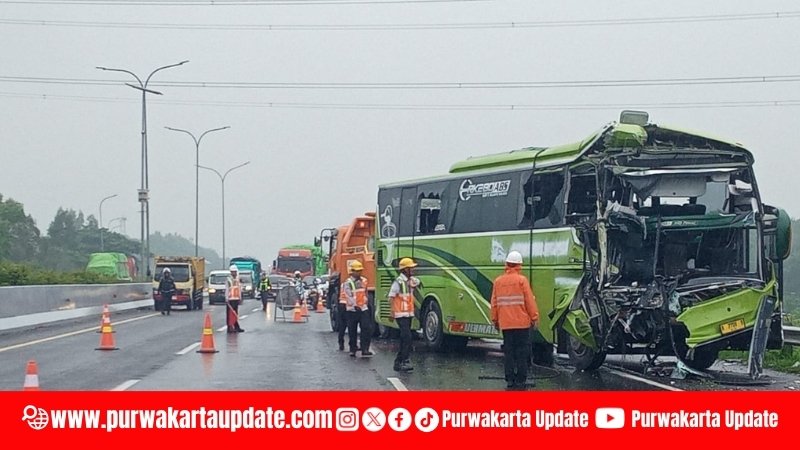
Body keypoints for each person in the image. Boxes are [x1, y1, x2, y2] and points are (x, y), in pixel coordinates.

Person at [490, 251, 539, 390]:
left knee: (509, 352)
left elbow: (494, 303)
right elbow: (529, 301)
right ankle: (521, 380)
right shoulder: (522, 280)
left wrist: (495, 320)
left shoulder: (498, 282)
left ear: (506, 264)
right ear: (519, 265)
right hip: (522, 324)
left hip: (506, 324)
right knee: (522, 353)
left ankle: (510, 380)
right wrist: (534, 317)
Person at [388, 257, 420, 372]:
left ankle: (399, 362)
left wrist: (414, 281)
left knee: (405, 338)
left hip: (408, 314)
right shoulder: (398, 282)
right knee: (407, 337)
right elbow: (391, 297)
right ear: (406, 269)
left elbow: (417, 282)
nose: (413, 270)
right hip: (400, 314)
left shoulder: (409, 281)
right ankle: (404, 361)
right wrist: (392, 311)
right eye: (411, 268)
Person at [343, 261, 372, 358]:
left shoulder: (364, 280)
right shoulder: (347, 283)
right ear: (352, 271)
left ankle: (365, 349)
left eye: (360, 270)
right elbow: (348, 296)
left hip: (363, 308)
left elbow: (365, 293)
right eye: (357, 271)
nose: (359, 273)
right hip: (352, 310)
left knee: (366, 328)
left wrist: (366, 303)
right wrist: (355, 305)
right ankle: (353, 349)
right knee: (352, 330)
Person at [226, 265, 245, 333]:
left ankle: (236, 327)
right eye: (233, 272)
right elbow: (227, 289)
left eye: (235, 272)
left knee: (235, 314)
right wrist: (226, 298)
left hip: (236, 299)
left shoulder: (237, 279)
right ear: (231, 272)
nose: (234, 273)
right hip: (230, 299)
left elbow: (239, 289)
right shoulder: (228, 279)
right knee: (230, 314)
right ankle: (230, 327)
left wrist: (240, 298)